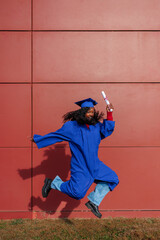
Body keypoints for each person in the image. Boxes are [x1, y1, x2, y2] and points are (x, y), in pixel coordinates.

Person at [32, 98, 119, 218]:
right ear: (82, 112)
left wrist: (109, 113)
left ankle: (94, 201)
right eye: (88, 111)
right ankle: (53, 183)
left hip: (95, 165)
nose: (91, 114)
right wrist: (38, 140)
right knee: (77, 193)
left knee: (112, 179)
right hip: (81, 166)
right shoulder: (72, 127)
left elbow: (107, 130)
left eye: (93, 112)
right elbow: (56, 135)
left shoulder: (96, 126)